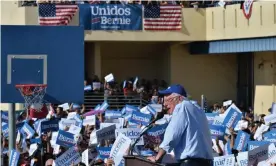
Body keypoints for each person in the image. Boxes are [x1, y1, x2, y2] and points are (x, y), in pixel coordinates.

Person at [147, 84, 213, 166]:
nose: (164, 104)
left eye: (167, 100)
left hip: (191, 163)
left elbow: (172, 135)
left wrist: (157, 158)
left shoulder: (182, 106)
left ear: (178, 98)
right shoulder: (198, 109)